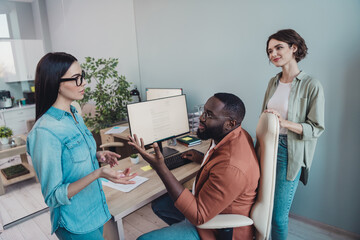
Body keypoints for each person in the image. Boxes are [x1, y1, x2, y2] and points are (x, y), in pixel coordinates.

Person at [27, 52, 136, 240]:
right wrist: (98, 173)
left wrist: (97, 156)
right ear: (56, 83)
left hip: (94, 210)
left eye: (82, 76)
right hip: (75, 223)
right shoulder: (44, 132)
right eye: (76, 78)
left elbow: (70, 158)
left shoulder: (74, 114)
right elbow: (53, 196)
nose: (83, 82)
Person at [129, 93, 260, 240]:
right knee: (160, 204)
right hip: (210, 206)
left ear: (230, 123)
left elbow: (199, 216)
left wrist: (161, 167)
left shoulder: (231, 167)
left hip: (217, 229)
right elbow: (221, 164)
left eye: (209, 115)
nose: (201, 118)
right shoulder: (234, 134)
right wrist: (202, 159)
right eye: (204, 112)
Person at [262, 29, 325, 240]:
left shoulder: (311, 85)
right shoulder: (273, 82)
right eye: (270, 51)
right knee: (261, 209)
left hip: (288, 151)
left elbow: (316, 128)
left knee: (278, 217)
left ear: (293, 48)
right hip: (265, 146)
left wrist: (285, 123)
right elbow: (264, 115)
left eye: (278, 47)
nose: (273, 54)